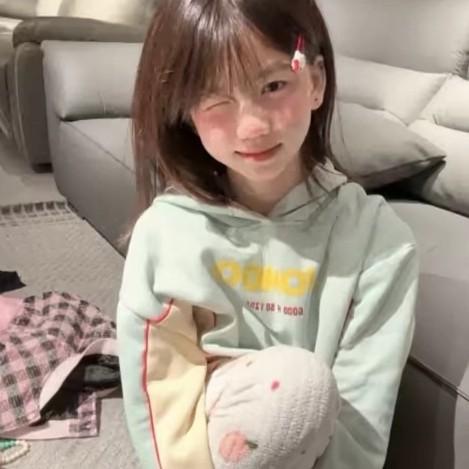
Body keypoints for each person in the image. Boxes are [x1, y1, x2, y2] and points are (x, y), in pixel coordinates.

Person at [116, 0, 419, 468]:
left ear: (315, 82)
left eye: (274, 85)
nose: (253, 126)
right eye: (216, 99)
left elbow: (362, 423)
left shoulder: (381, 243)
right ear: (186, 111)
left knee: (298, 390)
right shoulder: (165, 234)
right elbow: (160, 398)